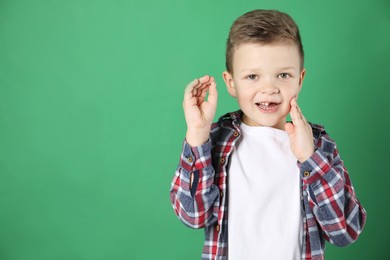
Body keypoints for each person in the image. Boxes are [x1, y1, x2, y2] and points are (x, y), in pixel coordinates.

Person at [169, 9, 366, 260]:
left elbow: (345, 232)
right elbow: (192, 215)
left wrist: (310, 158)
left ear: (300, 79)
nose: (269, 88)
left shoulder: (317, 145)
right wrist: (197, 134)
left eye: (283, 75)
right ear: (231, 83)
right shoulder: (214, 141)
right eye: (252, 76)